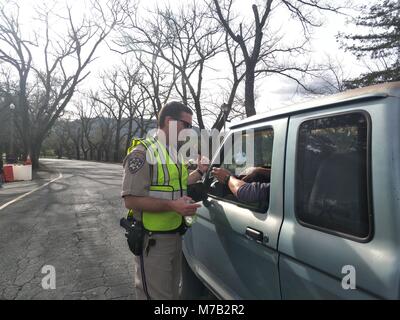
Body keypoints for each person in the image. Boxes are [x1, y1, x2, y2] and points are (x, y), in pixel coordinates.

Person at [121, 101, 208, 300]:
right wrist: (172, 205)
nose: (189, 131)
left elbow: (180, 183)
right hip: (153, 241)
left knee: (170, 295)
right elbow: (131, 200)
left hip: (175, 236)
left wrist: (201, 171)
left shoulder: (171, 153)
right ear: (169, 121)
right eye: (186, 125)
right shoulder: (142, 153)